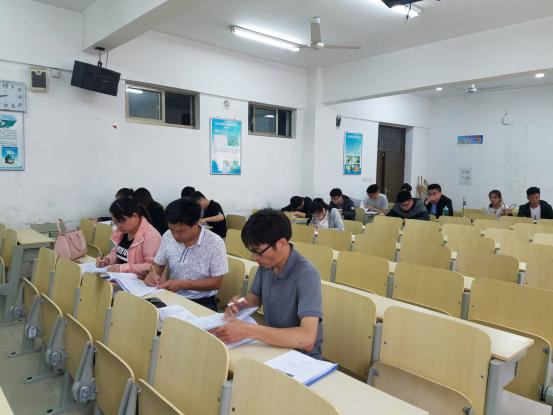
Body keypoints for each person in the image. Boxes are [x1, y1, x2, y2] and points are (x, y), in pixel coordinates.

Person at [209, 209, 323, 358]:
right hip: (273, 346)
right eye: (251, 251)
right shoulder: (267, 264)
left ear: (282, 243)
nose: (254, 257)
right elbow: (253, 299)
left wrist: (247, 330)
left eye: (257, 251)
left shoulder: (307, 274)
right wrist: (238, 304)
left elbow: (306, 339)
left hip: (301, 356)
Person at [144, 198, 228, 311]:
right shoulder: (168, 235)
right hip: (172, 296)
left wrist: (183, 284)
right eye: (172, 230)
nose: (175, 236)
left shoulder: (215, 242)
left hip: (202, 302)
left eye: (180, 231)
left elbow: (216, 282)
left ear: (196, 223)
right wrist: (152, 275)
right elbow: (158, 265)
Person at [96, 197, 161, 278]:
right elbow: (118, 253)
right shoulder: (124, 231)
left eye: (121, 221)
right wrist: (107, 260)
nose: (118, 227)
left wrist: (122, 268)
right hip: (121, 278)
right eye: (115, 223)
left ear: (134, 216)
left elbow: (151, 266)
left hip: (140, 282)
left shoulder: (151, 235)